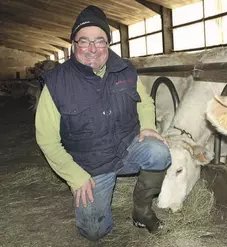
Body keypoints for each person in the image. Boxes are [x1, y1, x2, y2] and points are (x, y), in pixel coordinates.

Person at [35, 5, 171, 241]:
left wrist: (148, 125)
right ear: (73, 45)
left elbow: (144, 102)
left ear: (108, 44)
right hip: (91, 163)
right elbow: (46, 139)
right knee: (94, 233)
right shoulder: (57, 84)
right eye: (84, 41)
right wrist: (75, 176)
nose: (92, 49)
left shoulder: (125, 69)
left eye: (100, 41)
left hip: (125, 147)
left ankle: (142, 211)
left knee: (159, 152)